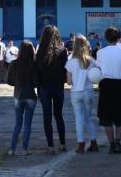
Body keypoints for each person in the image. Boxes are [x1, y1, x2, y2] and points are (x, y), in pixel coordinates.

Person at [36, 25, 67, 154]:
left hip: (44, 88)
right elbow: (65, 70)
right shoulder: (62, 50)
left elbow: (37, 71)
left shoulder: (40, 51)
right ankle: (62, 143)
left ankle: (50, 146)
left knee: (47, 117)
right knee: (59, 115)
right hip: (58, 87)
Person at [66, 34, 98, 154]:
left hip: (76, 93)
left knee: (79, 119)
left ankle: (81, 145)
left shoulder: (70, 60)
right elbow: (97, 74)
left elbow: (69, 82)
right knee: (88, 118)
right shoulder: (91, 60)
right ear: (86, 46)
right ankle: (93, 142)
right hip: (88, 91)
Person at [96, 27, 121, 154]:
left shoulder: (100, 52)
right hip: (119, 84)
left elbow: (98, 68)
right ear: (119, 39)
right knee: (120, 114)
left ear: (106, 38)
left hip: (105, 84)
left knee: (106, 116)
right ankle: (118, 142)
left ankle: (112, 144)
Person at [7, 40, 38, 156]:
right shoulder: (34, 64)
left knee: (17, 124)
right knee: (27, 124)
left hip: (18, 95)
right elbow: (36, 82)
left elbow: (9, 81)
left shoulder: (13, 64)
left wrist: (18, 82)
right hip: (30, 96)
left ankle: (12, 149)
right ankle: (25, 149)